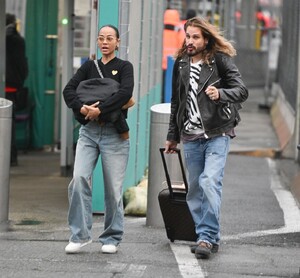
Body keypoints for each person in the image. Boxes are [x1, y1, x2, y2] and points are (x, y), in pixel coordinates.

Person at [165, 17, 248, 259]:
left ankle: (206, 237)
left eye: (195, 37)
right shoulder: (180, 63)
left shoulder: (219, 61)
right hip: (190, 136)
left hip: (217, 132)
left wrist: (220, 93)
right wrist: (172, 136)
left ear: (206, 39)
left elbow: (242, 91)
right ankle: (208, 235)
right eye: (187, 36)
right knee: (195, 190)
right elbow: (176, 102)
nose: (189, 41)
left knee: (210, 182)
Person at [63, 24, 134, 254]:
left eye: (110, 38)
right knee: (79, 178)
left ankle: (111, 237)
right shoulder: (88, 67)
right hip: (89, 133)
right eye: (101, 38)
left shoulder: (124, 67)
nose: (105, 42)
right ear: (97, 41)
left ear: (118, 42)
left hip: (114, 134)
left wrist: (99, 110)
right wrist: (82, 109)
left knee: (113, 189)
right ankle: (79, 235)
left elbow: (125, 93)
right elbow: (68, 91)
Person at [5, 13, 28, 166]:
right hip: (12, 87)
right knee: (9, 124)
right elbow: (22, 65)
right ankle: (11, 156)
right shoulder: (18, 40)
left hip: (5, 84)